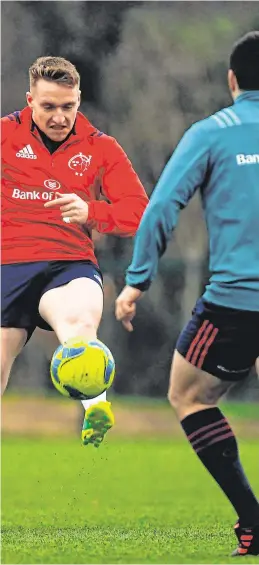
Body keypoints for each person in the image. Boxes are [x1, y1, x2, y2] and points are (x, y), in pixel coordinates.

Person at [115, 31, 259, 556]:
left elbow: (160, 209)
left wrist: (137, 281)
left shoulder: (211, 132)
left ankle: (253, 518)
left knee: (188, 395)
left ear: (231, 80)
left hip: (237, 303)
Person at [1, 56, 148, 447]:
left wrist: (93, 212)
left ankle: (95, 405)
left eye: (67, 106)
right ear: (29, 100)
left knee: (80, 328)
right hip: (8, 266)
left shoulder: (101, 147)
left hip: (68, 265)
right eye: (48, 106)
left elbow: (140, 213)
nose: (59, 116)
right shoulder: (4, 135)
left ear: (78, 99)